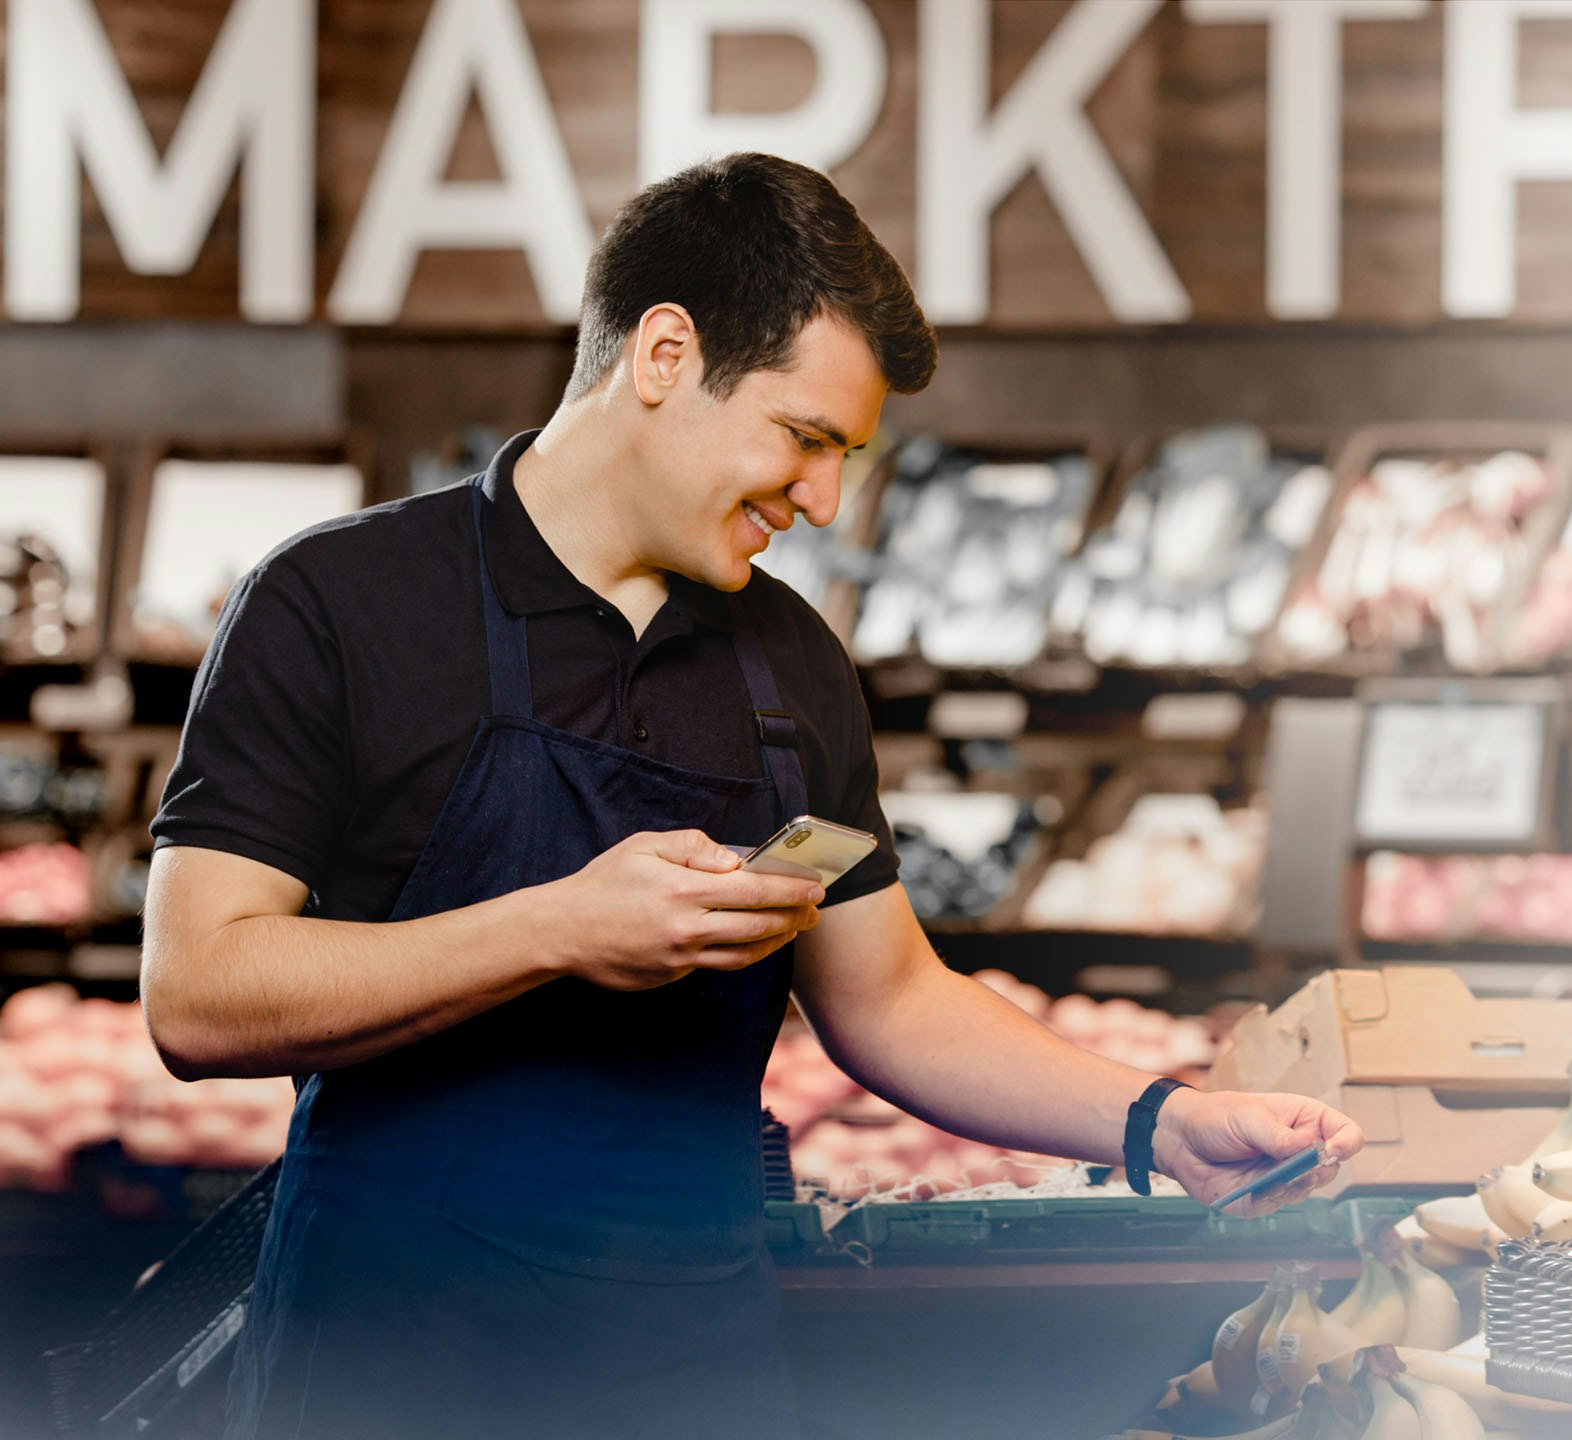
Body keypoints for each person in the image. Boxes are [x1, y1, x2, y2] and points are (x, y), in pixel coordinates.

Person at [141, 152, 1362, 1440]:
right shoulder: (340, 603)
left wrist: (1161, 1124)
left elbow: (890, 999)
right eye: (804, 437)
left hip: (686, 1362)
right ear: (664, 355)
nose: (827, 499)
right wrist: (557, 927)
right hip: (384, 1365)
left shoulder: (792, 662)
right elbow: (199, 995)